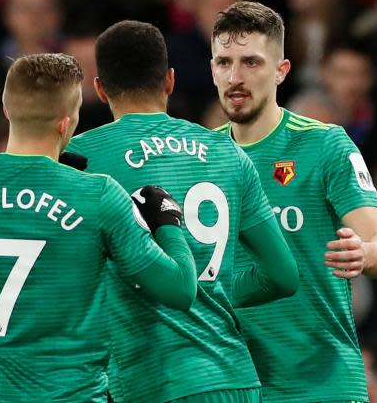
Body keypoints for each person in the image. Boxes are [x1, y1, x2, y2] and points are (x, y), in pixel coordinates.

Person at [0, 53, 199, 402]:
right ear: (67, 123)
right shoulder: (96, 195)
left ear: (6, 109)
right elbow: (179, 290)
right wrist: (167, 221)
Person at [66, 20, 299, 403]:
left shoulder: (79, 160)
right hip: (234, 377)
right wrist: (212, 290)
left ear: (100, 89)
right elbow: (283, 276)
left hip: (152, 381)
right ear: (170, 81)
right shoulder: (229, 154)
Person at [211, 1, 377, 402]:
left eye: (251, 62)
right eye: (224, 62)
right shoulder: (199, 159)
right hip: (233, 386)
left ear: (281, 71)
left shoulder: (324, 144)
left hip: (320, 384)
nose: (235, 77)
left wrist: (363, 254)